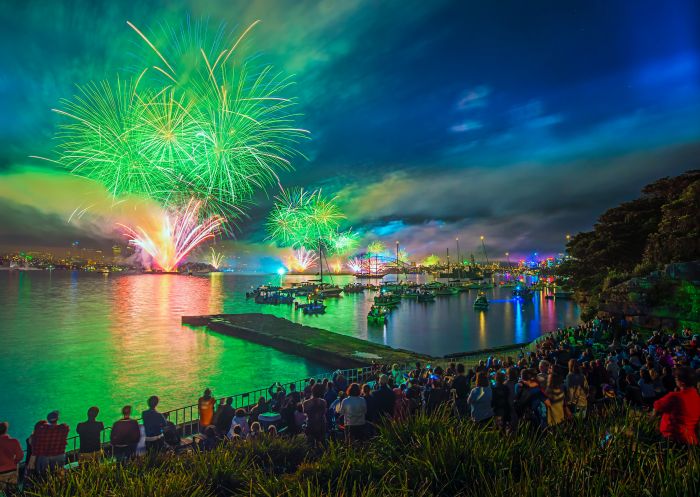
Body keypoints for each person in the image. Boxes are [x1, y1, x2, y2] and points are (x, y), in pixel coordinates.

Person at [653, 367, 700, 445]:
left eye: (676, 377)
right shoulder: (697, 397)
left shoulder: (675, 396)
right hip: (691, 440)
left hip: (673, 439)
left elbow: (657, 406)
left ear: (682, 382)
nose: (675, 379)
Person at [32, 410, 69, 475]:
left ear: (48, 419)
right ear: (57, 419)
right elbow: (65, 425)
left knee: (43, 476)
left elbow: (37, 445)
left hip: (44, 457)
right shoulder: (63, 428)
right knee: (58, 475)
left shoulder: (42, 429)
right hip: (59, 455)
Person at [0, 422, 24, 490]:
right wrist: (14, 462)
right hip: (12, 471)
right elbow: (20, 456)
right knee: (12, 492)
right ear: (6, 430)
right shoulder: (14, 441)